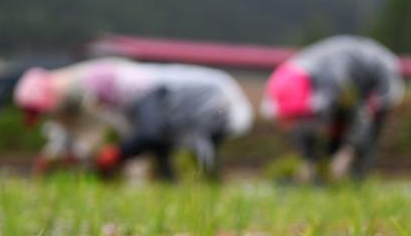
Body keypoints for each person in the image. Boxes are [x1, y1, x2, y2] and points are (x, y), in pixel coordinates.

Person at [14, 59, 253, 180]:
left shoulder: (141, 92)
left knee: (187, 151)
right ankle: (173, 186)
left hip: (215, 104)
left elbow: (151, 133)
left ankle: (206, 184)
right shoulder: (75, 92)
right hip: (198, 104)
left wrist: (117, 153)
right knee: (163, 151)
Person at [261, 35, 403, 182]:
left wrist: (347, 153)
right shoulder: (291, 80)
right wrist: (308, 159)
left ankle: (356, 178)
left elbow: (361, 117)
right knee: (328, 133)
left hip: (376, 78)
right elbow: (304, 127)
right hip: (337, 91)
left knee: (363, 134)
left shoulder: (336, 83)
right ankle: (328, 175)